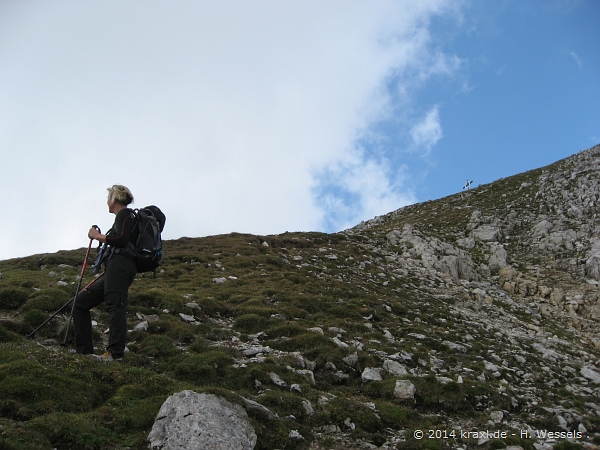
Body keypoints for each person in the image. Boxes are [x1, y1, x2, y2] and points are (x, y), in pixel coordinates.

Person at [72, 185, 137, 362]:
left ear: (114, 199)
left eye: (109, 197)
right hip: (117, 268)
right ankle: (84, 352)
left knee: (115, 305)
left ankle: (115, 355)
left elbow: (121, 240)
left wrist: (96, 236)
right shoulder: (124, 217)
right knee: (80, 303)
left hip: (120, 266)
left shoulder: (125, 214)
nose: (107, 202)